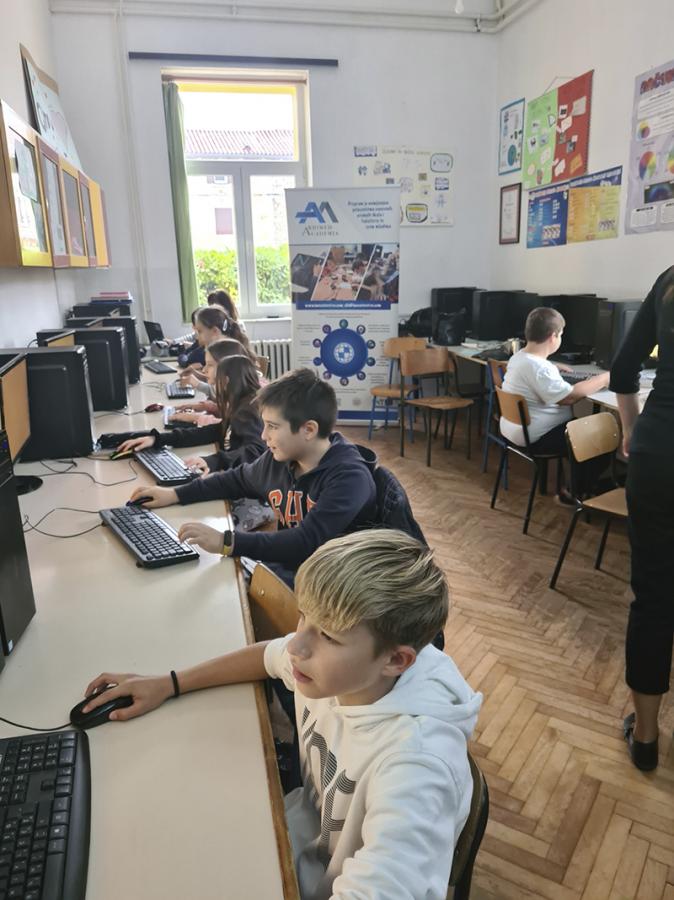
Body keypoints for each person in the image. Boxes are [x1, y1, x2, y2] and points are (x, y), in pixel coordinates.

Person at [80, 529, 482, 900]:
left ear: (396, 660)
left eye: (328, 636)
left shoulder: (418, 766)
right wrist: (170, 683)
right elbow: (269, 656)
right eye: (304, 616)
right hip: (295, 831)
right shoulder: (345, 669)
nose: (296, 646)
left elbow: (391, 883)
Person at [128, 368, 378, 584]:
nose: (263, 436)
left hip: (338, 583)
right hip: (297, 566)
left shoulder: (349, 478)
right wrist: (174, 494)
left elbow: (305, 541)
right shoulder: (280, 459)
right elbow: (235, 480)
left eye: (273, 426)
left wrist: (227, 541)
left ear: (308, 429)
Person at [611, 266, 674, 771]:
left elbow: (623, 368)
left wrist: (632, 430)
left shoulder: (670, 280)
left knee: (653, 599)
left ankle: (647, 739)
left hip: (659, 453)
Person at [116, 355, 265, 475]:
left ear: (226, 382)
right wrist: (158, 439)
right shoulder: (239, 405)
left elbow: (255, 451)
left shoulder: (247, 411)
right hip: (234, 474)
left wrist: (213, 461)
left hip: (245, 489)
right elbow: (213, 431)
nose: (214, 388)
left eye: (216, 383)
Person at [500, 307, 610, 456]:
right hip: (538, 436)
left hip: (512, 428)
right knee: (603, 435)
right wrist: (603, 379)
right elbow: (569, 398)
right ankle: (585, 472)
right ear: (553, 337)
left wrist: (552, 366)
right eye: (561, 335)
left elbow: (535, 370)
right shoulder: (540, 368)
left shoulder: (518, 357)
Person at [181, 306, 255, 371]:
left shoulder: (228, 354)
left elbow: (226, 381)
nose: (197, 337)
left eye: (200, 331)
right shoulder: (218, 348)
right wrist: (198, 376)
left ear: (215, 331)